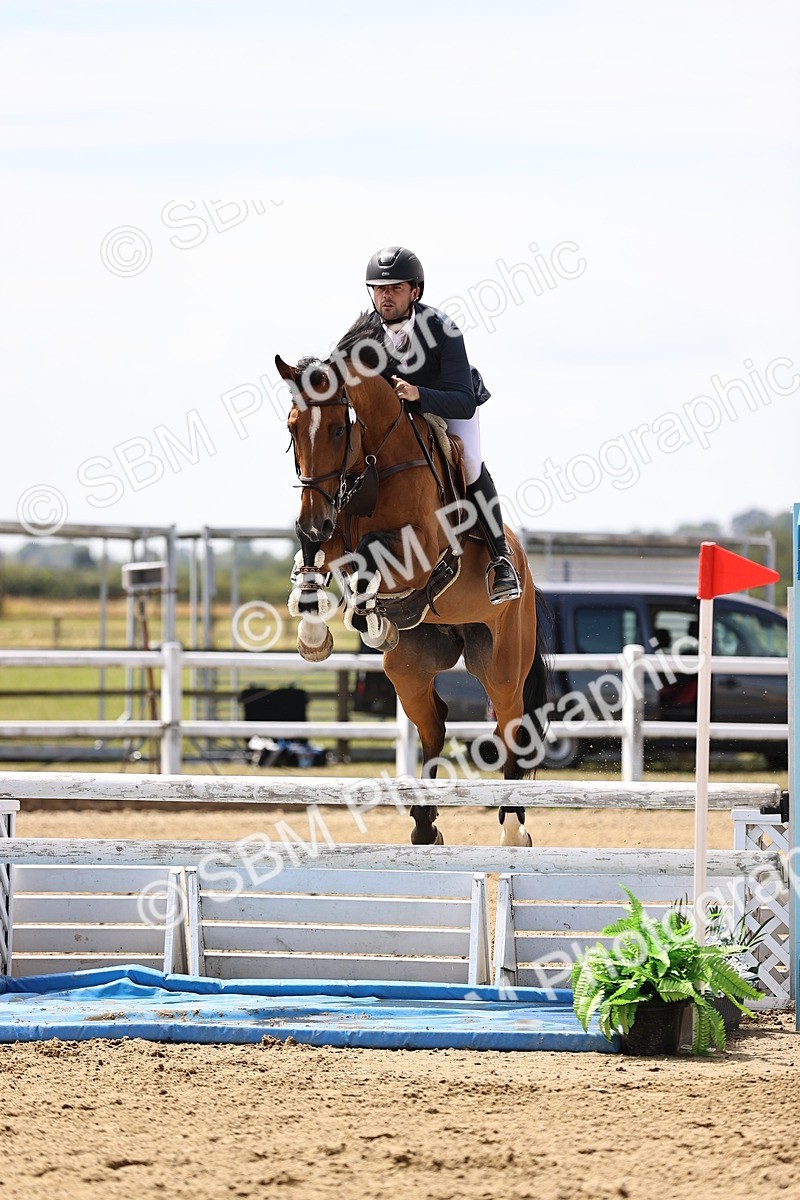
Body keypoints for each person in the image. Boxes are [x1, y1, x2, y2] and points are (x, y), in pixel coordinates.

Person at [364, 245, 521, 604]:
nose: (386, 296)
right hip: (398, 419)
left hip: (449, 407)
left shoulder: (442, 329)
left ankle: (500, 559)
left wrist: (418, 393)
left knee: (469, 463)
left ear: (415, 291)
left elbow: (463, 402)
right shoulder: (365, 333)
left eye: (395, 288)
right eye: (379, 288)